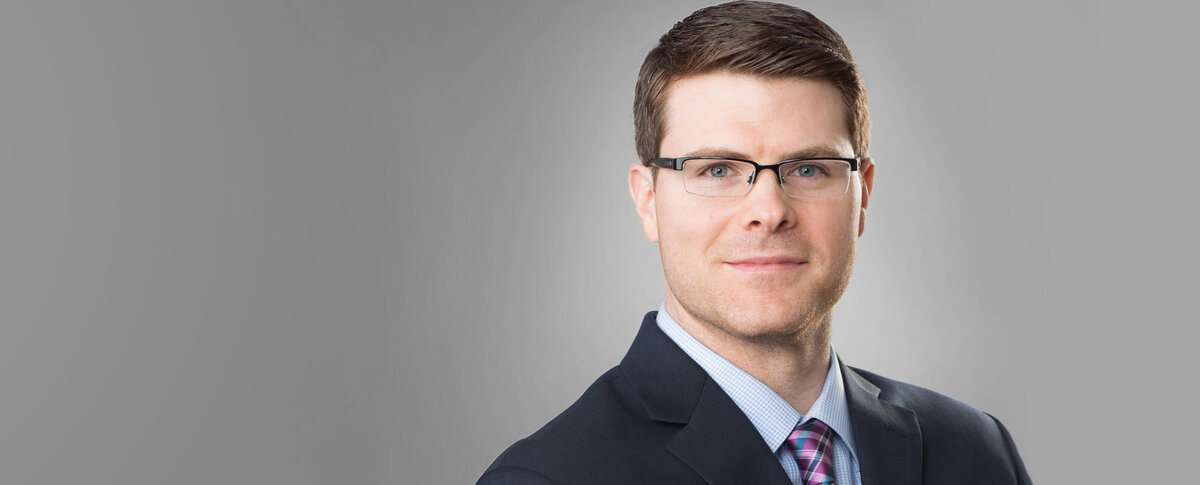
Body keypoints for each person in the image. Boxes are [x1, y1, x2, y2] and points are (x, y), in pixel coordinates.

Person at [479, 1, 1031, 483]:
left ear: (861, 195)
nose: (768, 212)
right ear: (648, 199)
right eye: (717, 170)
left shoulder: (977, 452)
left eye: (809, 169)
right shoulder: (549, 478)